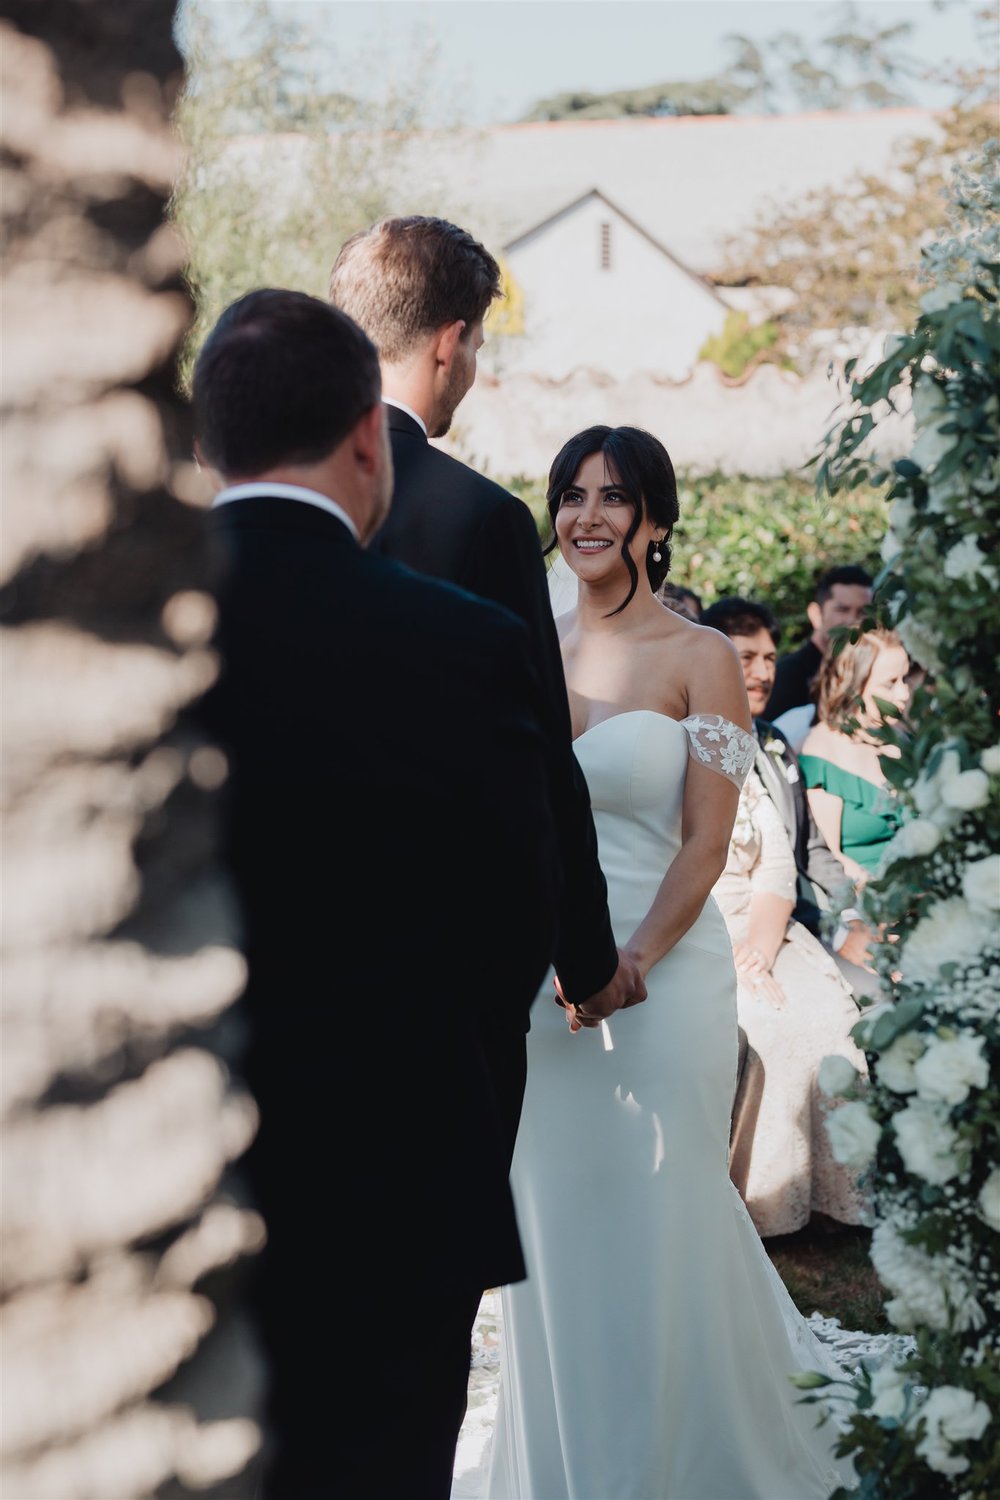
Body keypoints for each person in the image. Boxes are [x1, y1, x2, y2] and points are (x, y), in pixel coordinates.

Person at [193, 289, 562, 1500]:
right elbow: (520, 900)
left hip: (166, 1152)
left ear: (209, 441)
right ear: (368, 437)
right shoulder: (460, 642)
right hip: (395, 1155)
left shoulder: (125, 637)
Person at [487, 424, 856, 1499]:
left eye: (612, 498)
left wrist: (627, 963)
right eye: (570, 496)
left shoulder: (700, 659)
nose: (586, 517)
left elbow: (709, 841)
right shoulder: (520, 643)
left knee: (660, 1203)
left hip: (662, 976)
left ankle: (687, 1455)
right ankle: (568, 1457)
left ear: (653, 521)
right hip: (544, 984)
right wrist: (557, 962)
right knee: (554, 1216)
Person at [328, 216, 645, 1115]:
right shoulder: (481, 519)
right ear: (449, 343)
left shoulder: (246, 497)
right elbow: (537, 753)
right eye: (476, 348)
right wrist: (585, 959)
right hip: (439, 970)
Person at [700, 596, 876, 996]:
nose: (763, 673)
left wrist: (855, 919)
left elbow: (813, 848)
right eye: (746, 657)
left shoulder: (773, 739)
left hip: (807, 916)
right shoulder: (688, 744)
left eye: (770, 658)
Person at [800, 626, 911, 886]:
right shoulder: (820, 753)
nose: (904, 693)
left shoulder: (904, 738)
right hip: (869, 899)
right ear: (853, 684)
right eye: (890, 684)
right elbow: (829, 856)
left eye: (905, 679)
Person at [764, 564, 873, 724]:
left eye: (862, 612)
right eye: (842, 610)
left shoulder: (872, 672)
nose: (853, 621)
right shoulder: (787, 677)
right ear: (816, 614)